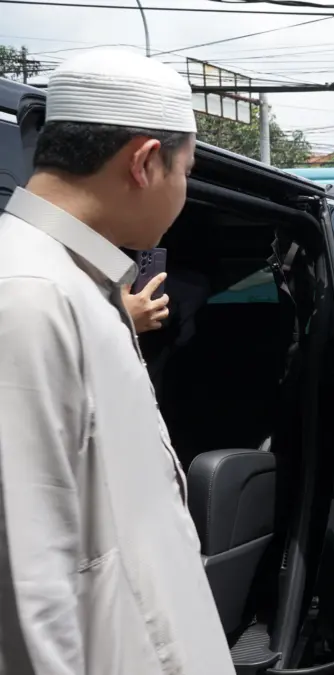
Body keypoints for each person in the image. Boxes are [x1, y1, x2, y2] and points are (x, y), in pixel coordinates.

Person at [0, 48, 234, 673]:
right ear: (145, 161)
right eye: (185, 170)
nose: (183, 192)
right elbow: (31, 588)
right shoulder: (28, 294)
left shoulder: (70, 285)